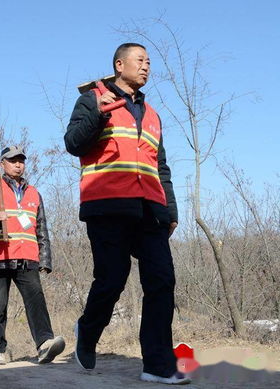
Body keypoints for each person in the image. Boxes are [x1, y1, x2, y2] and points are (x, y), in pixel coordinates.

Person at [65, 43, 190, 385]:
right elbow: (73, 143)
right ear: (120, 65)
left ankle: (158, 364)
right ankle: (88, 330)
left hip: (150, 208)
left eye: (149, 62)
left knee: (162, 280)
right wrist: (99, 112)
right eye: (140, 60)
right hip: (107, 204)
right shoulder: (93, 99)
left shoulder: (152, 114)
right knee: (112, 278)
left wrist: (171, 207)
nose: (146, 66)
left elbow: (159, 165)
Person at [0, 146, 65, 366]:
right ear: (2, 163)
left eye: (21, 160)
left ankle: (44, 344)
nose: (18, 164)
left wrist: (45, 259)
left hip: (27, 257)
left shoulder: (34, 193)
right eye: (12, 160)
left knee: (36, 302)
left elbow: (41, 228)